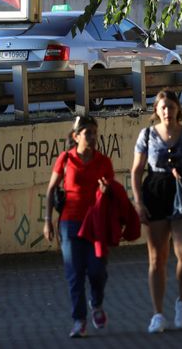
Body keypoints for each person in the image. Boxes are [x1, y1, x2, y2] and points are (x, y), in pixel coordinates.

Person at [130, 89, 182, 333]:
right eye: (163, 107)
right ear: (156, 110)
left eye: (171, 107)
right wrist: (138, 202)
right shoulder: (147, 135)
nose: (167, 111)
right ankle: (157, 314)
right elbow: (136, 170)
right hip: (155, 191)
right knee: (157, 258)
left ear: (178, 110)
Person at [44, 115, 118, 338]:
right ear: (76, 136)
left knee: (97, 270)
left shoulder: (104, 162)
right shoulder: (66, 159)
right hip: (70, 222)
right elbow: (51, 190)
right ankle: (79, 321)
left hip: (96, 222)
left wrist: (106, 192)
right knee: (74, 274)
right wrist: (48, 221)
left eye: (95, 133)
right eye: (88, 133)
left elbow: (113, 193)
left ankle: (96, 303)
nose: (93, 137)